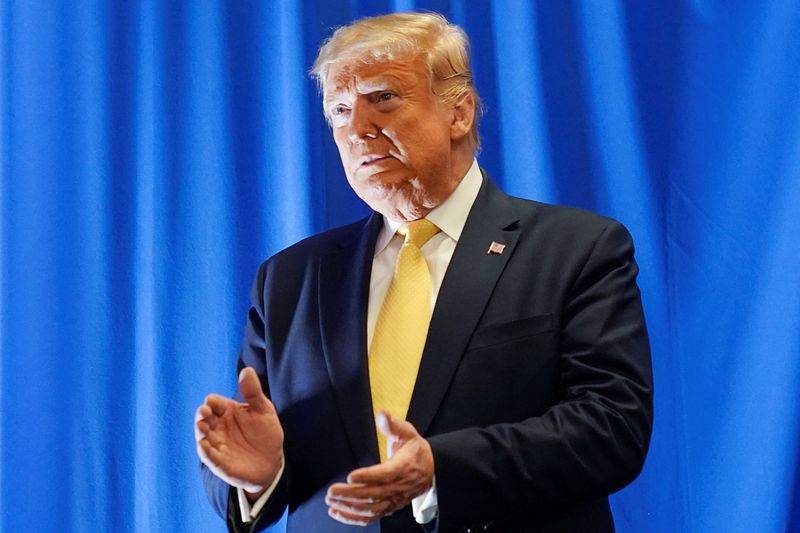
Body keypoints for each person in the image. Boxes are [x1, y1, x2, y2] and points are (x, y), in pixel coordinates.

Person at [195, 12, 653, 533]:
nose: (358, 129)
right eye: (339, 110)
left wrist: (441, 469)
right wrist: (258, 477)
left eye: (383, 98)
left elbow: (611, 428)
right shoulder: (290, 279)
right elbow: (259, 442)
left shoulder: (576, 249)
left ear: (459, 113)